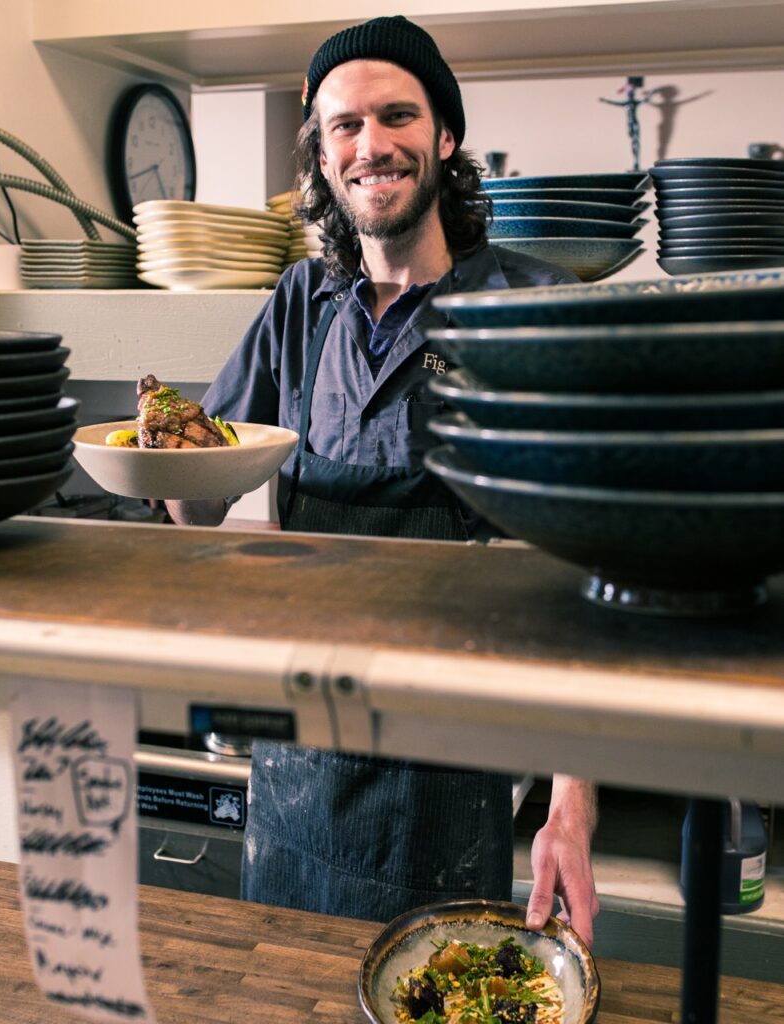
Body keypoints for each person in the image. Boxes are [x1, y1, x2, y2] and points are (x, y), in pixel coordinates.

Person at [168, 15, 599, 946]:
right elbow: (193, 500)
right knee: (279, 981)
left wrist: (572, 805)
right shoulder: (298, 303)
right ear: (323, 160)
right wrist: (167, 457)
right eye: (343, 127)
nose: (371, 146)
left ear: (444, 137)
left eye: (395, 117)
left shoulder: (529, 311)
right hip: (296, 753)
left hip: (450, 759)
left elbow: (584, 570)